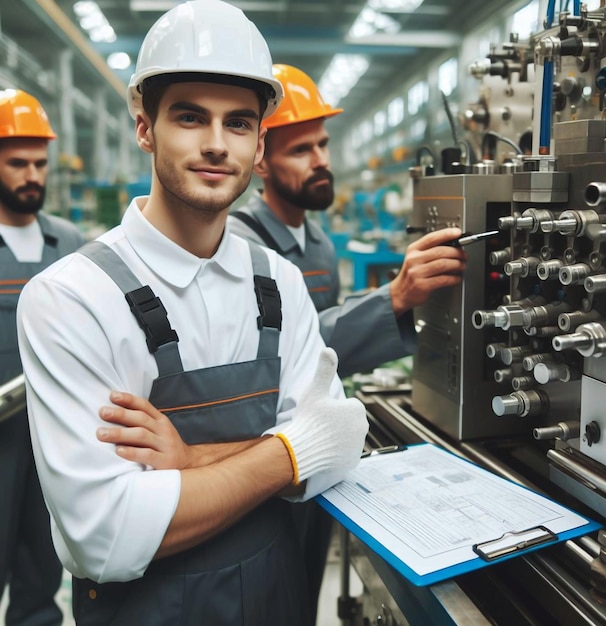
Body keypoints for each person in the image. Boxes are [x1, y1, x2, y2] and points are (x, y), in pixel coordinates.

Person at [16, 2, 368, 625]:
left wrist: (192, 459)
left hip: (279, 602)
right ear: (145, 126)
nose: (214, 144)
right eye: (188, 116)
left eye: (238, 123)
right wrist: (291, 451)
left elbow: (341, 445)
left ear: (260, 143)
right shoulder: (71, 298)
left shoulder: (279, 285)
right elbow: (106, 537)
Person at [228, 63, 467, 621]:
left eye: (323, 145)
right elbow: (292, 359)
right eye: (301, 150)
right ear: (260, 159)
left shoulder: (319, 244)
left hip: (315, 453)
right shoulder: (239, 246)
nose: (322, 162)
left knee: (305, 590)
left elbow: (322, 354)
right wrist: (393, 298)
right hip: (259, 461)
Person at [0, 88, 85, 625]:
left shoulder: (70, 242)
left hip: (51, 438)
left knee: (43, 570)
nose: (32, 174)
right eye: (16, 163)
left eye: (39, 163)